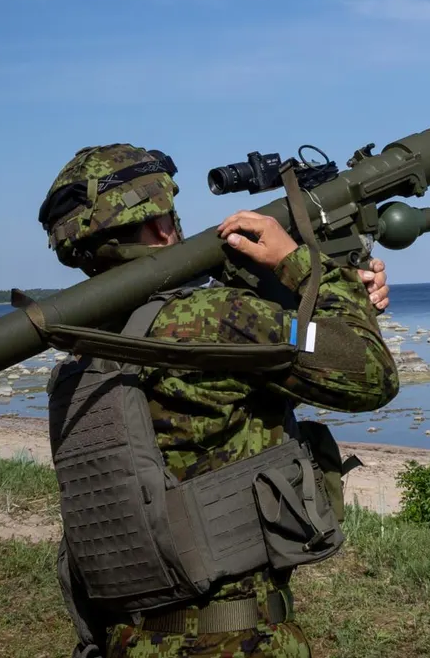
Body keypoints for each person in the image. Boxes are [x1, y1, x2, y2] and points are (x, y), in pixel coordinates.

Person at [37, 143, 399, 658]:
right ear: (162, 225)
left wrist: (326, 308)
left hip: (125, 636)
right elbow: (370, 374)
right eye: (171, 216)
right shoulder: (214, 317)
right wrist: (306, 267)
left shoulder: (84, 341)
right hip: (235, 639)